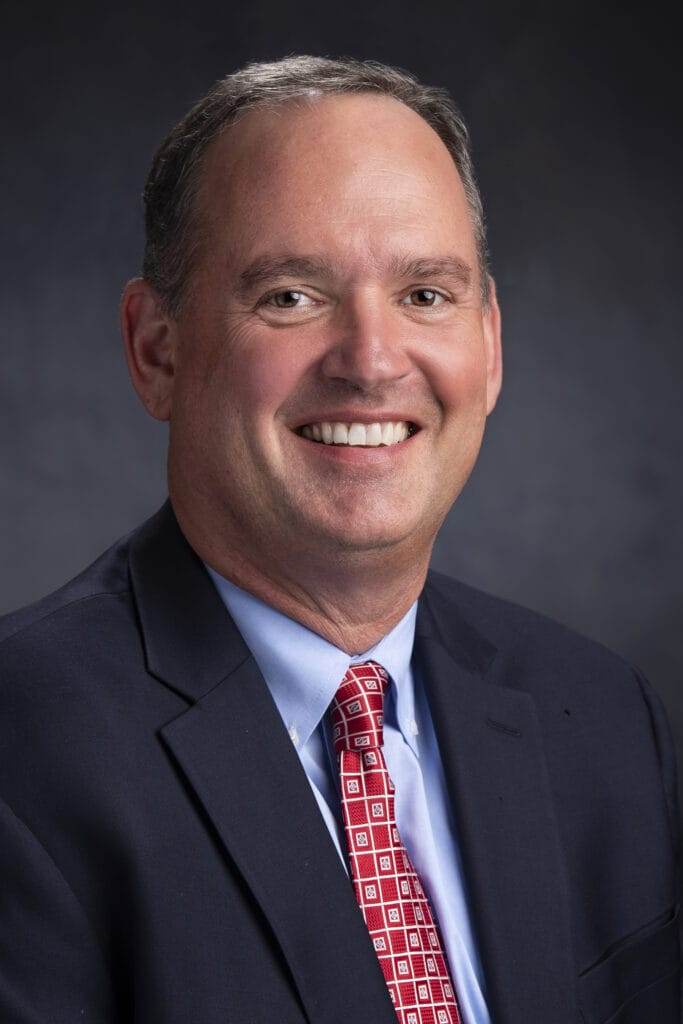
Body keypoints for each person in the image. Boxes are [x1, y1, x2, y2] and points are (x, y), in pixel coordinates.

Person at [0, 55, 679, 1024]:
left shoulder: (602, 718)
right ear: (157, 350)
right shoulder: (22, 751)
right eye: (289, 295)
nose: (369, 360)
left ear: (488, 347)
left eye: (424, 295)